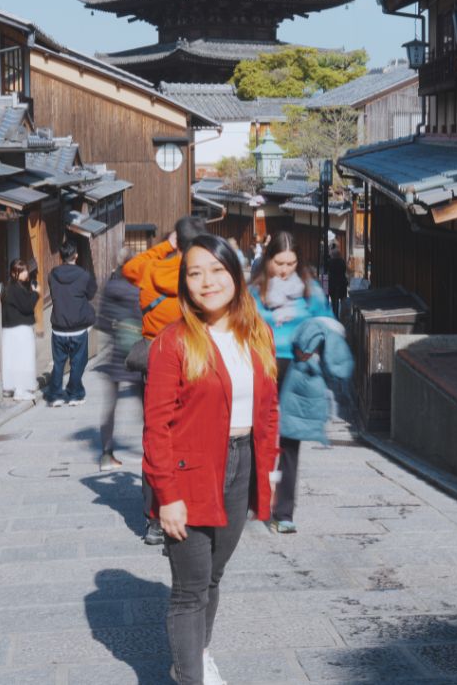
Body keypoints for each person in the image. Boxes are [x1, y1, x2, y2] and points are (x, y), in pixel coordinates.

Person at [143, 234, 279, 685]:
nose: (207, 282)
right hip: (190, 473)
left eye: (217, 270)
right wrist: (167, 496)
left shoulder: (257, 333)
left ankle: (199, 655)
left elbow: (268, 409)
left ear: (236, 276)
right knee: (189, 590)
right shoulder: (174, 341)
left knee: (214, 576)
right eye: (195, 273)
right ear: (184, 284)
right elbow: (156, 427)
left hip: (241, 466)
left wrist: (268, 470)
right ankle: (190, 677)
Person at [123, 216, 208, 545]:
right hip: (192, 361)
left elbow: (131, 267)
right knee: (190, 436)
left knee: (156, 435)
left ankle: (155, 519)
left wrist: (165, 245)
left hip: (155, 361)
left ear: (177, 242)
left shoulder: (150, 272)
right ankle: (188, 508)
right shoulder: (199, 278)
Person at [249, 230, 333, 534]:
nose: (284, 270)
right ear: (268, 259)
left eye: (290, 263)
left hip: (298, 367)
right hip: (262, 366)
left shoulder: (310, 291)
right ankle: (254, 499)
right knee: (256, 435)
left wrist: (316, 349)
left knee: (290, 440)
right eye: (279, 263)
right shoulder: (255, 291)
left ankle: (283, 511)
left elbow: (326, 323)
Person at [274, 316, 354, 531]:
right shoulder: (321, 321)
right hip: (293, 377)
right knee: (287, 452)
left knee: (274, 447)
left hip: (275, 367)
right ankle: (282, 514)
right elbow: (340, 366)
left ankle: (271, 507)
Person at [95, 247, 143, 472]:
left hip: (116, 352)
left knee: (111, 406)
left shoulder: (110, 286)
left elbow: (102, 321)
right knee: (146, 405)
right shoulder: (138, 290)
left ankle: (106, 454)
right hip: (137, 352)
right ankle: (152, 448)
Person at [47, 241, 97, 408]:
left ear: (61, 256)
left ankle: (55, 396)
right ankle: (74, 394)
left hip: (59, 326)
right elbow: (91, 294)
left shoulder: (53, 275)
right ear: (76, 255)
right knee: (78, 362)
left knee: (59, 362)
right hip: (78, 327)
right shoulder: (84, 275)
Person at [0, 259, 39, 401]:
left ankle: (9, 388)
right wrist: (35, 294)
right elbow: (27, 306)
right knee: (23, 359)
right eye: (21, 271)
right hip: (20, 329)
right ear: (13, 273)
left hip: (9, 329)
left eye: (25, 270)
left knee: (11, 359)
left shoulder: (9, 288)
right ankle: (20, 390)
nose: (25, 273)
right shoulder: (16, 289)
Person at [326, 242, 348, 319]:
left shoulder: (330, 262)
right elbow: (344, 270)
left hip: (332, 284)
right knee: (342, 301)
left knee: (334, 302)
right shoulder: (342, 262)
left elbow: (328, 272)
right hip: (341, 284)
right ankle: (343, 316)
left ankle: (334, 316)